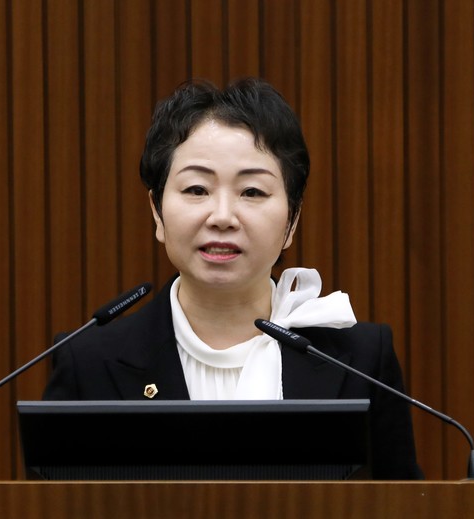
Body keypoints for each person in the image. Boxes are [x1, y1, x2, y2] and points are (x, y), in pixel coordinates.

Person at [43, 77, 423, 480]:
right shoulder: (88, 364)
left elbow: (402, 503)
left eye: (252, 192)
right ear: (157, 211)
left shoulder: (361, 360)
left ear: (292, 220)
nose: (222, 217)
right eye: (196, 189)